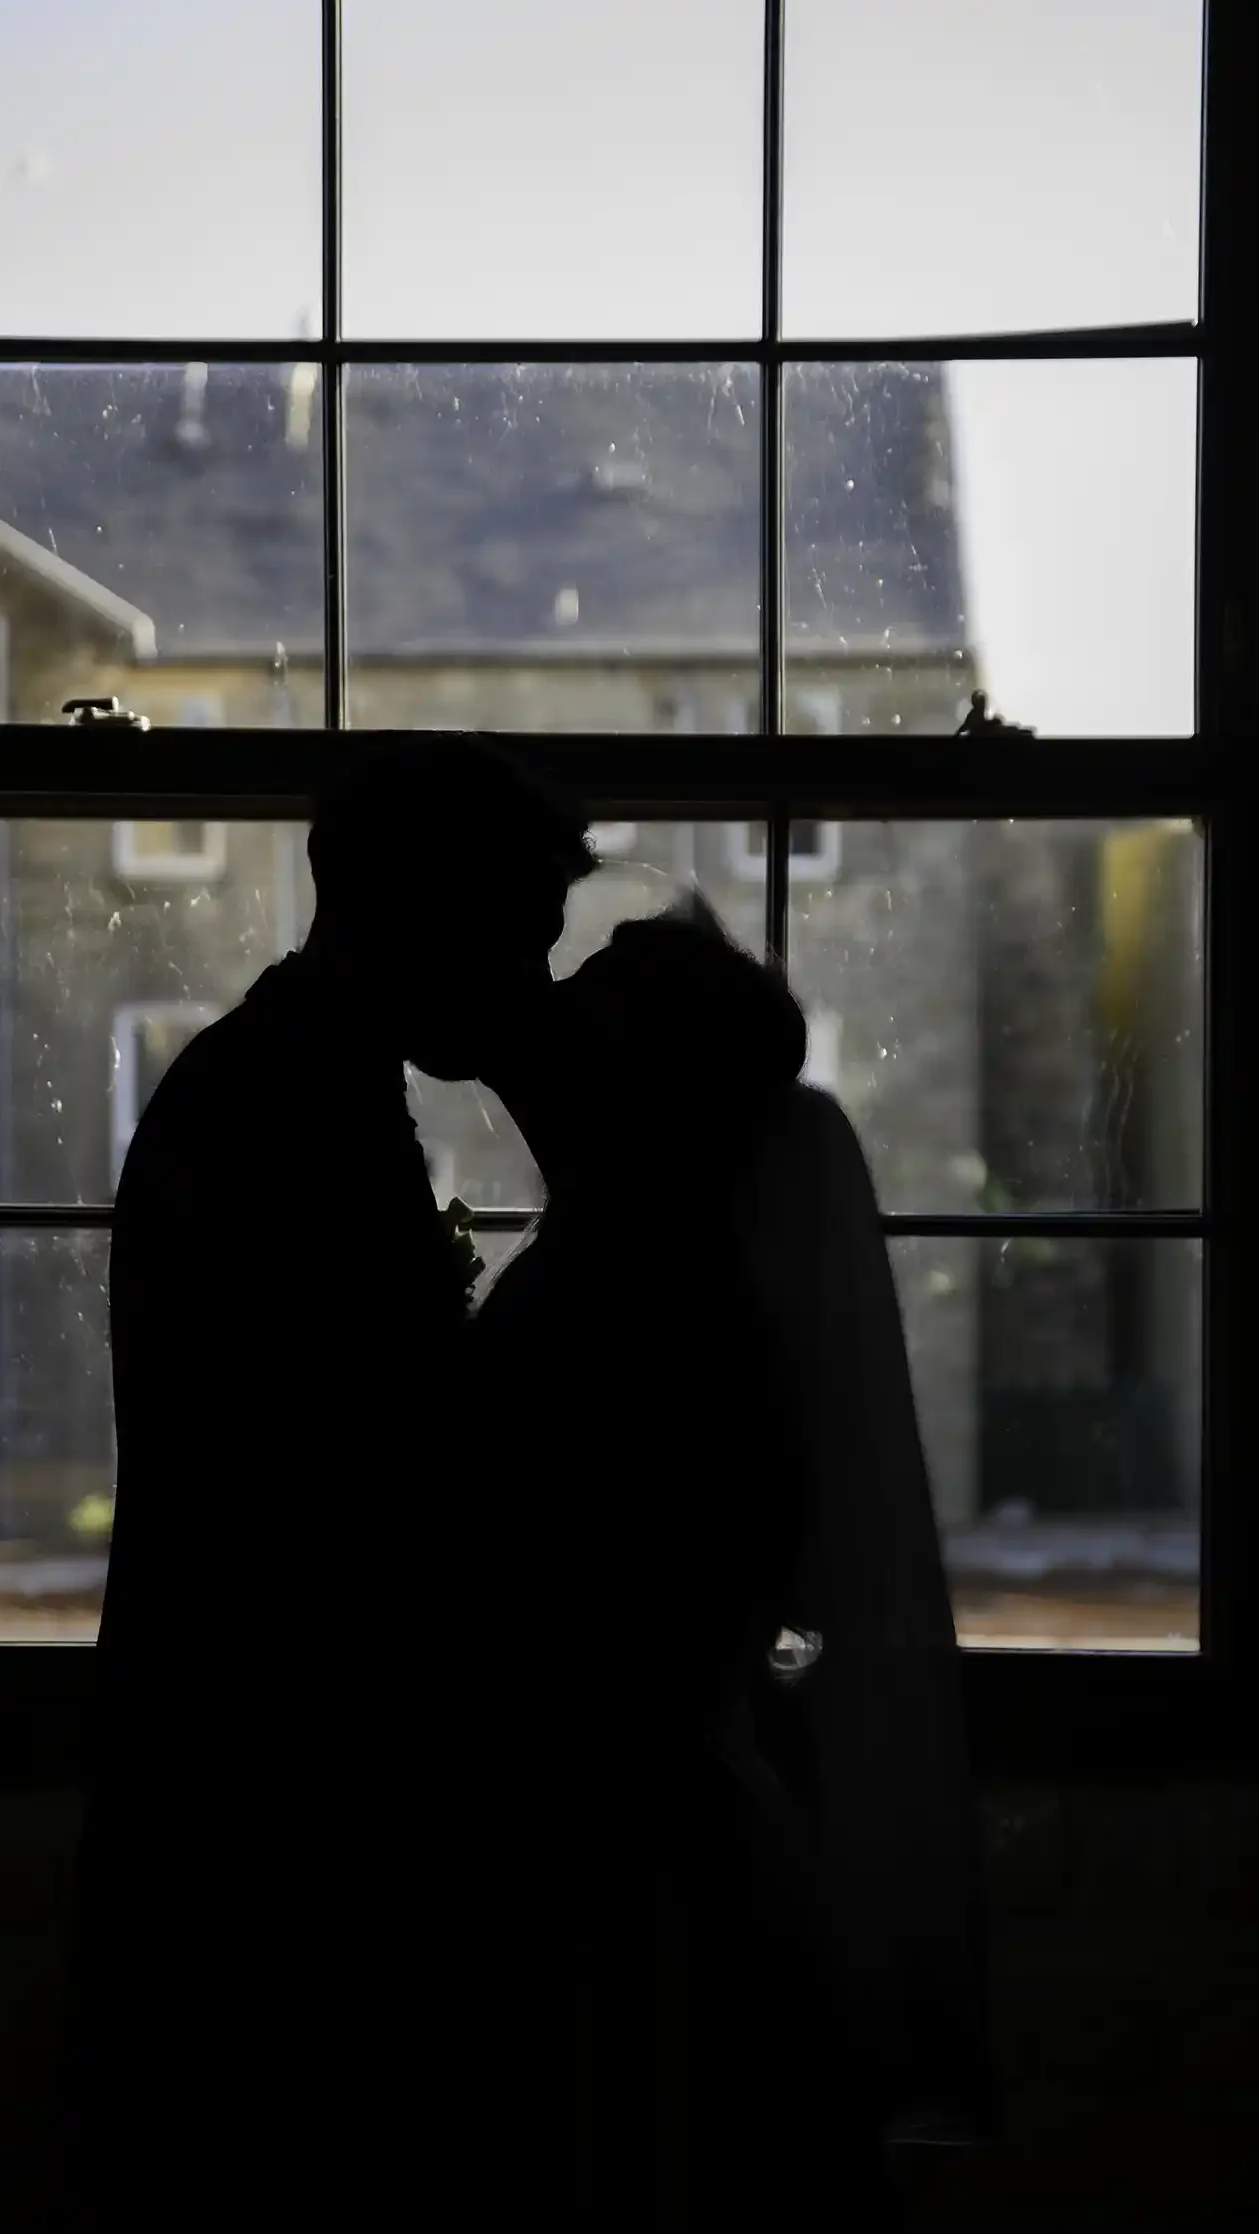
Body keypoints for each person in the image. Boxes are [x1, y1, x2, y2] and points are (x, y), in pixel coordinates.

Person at [57, 734, 597, 2229]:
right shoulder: (289, 1115)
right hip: (274, 1812)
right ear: (427, 912)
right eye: (521, 939)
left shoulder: (288, 1083)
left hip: (250, 1778)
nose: (534, 986)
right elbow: (375, 1485)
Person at [475, 892, 993, 2228]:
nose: (545, 1024)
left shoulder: (639, 1294)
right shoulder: (673, 1273)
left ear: (641, 1082)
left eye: (584, 1010)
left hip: (618, 1857)